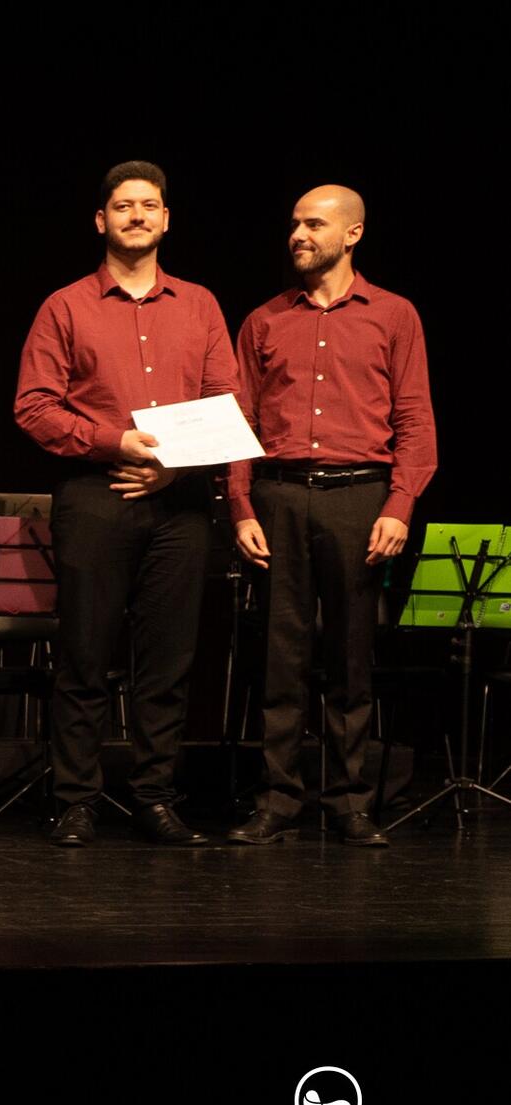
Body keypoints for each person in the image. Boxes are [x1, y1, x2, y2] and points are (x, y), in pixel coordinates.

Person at [14, 161, 239, 847]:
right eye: (122, 206)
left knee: (167, 661)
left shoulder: (199, 304)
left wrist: (172, 466)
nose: (136, 215)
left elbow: (225, 402)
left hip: (179, 502)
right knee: (84, 655)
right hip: (97, 493)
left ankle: (154, 798)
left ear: (166, 219)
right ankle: (76, 800)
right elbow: (34, 406)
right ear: (100, 220)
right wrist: (116, 442)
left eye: (148, 205)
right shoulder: (65, 306)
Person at [225, 186, 437, 848]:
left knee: (351, 657)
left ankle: (349, 800)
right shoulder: (264, 320)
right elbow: (239, 421)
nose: (298, 234)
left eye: (314, 224)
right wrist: (240, 506)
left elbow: (415, 418)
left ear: (352, 234)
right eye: (294, 223)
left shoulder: (394, 314)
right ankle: (278, 798)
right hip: (280, 496)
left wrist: (399, 505)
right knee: (280, 656)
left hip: (358, 496)